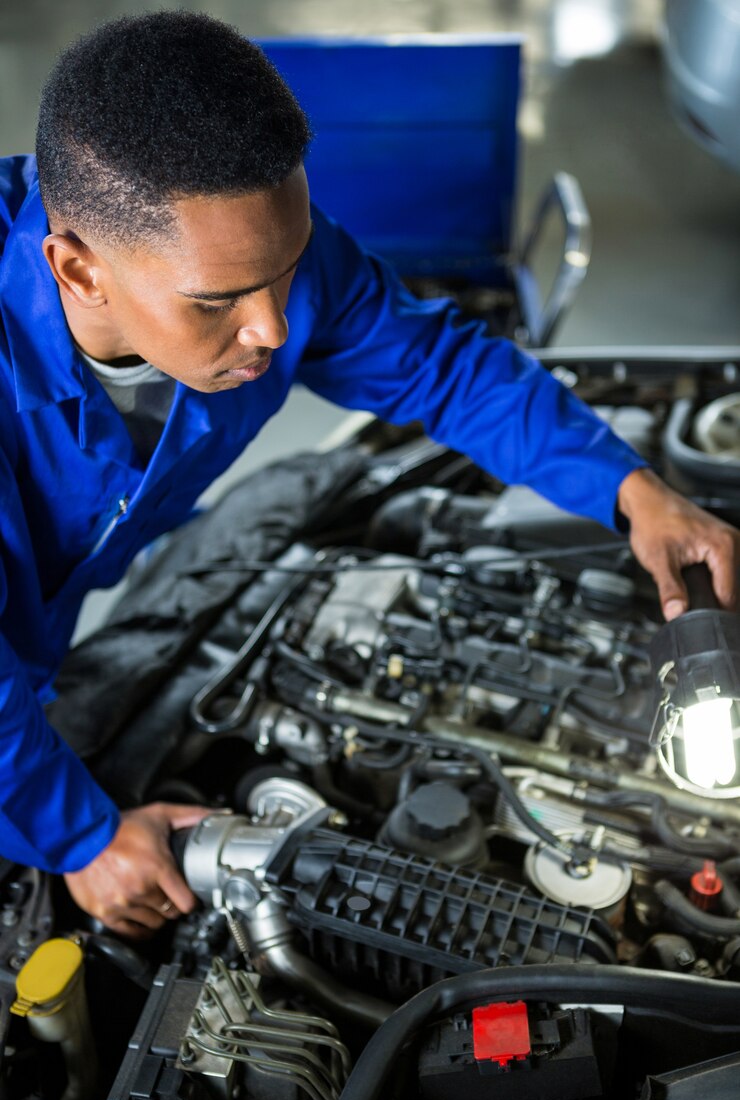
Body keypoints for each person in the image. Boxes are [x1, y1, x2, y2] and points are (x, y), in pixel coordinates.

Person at [0, 11, 737, 938]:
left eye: (288, 266)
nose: (272, 326)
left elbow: (445, 369)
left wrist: (635, 494)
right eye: (219, 301)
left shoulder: (255, 265)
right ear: (78, 271)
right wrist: (82, 841)